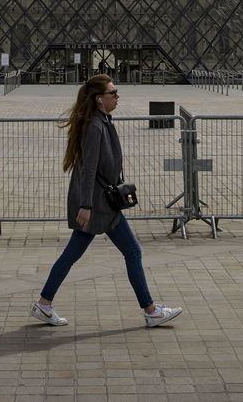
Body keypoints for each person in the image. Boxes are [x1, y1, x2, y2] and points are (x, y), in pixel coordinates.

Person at [31, 74, 183, 328]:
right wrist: (86, 205)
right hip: (98, 205)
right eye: (113, 93)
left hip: (100, 203)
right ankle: (151, 311)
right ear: (99, 99)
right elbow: (89, 168)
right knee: (130, 251)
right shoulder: (95, 126)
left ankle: (44, 304)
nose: (117, 96)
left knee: (77, 253)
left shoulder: (100, 121)